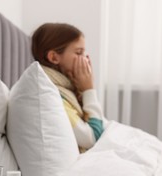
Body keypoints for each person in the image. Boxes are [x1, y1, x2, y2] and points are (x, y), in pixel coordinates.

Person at [31, 23, 106, 152]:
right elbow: (93, 137)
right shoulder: (51, 95)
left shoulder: (66, 89)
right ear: (54, 57)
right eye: (79, 53)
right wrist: (89, 90)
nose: (86, 60)